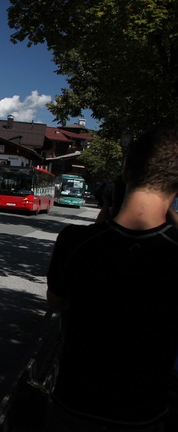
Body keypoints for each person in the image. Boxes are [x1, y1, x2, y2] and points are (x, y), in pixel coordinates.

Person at [46, 126, 178, 432]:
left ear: (127, 169)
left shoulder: (75, 241)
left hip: (72, 407)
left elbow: (56, 303)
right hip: (141, 416)